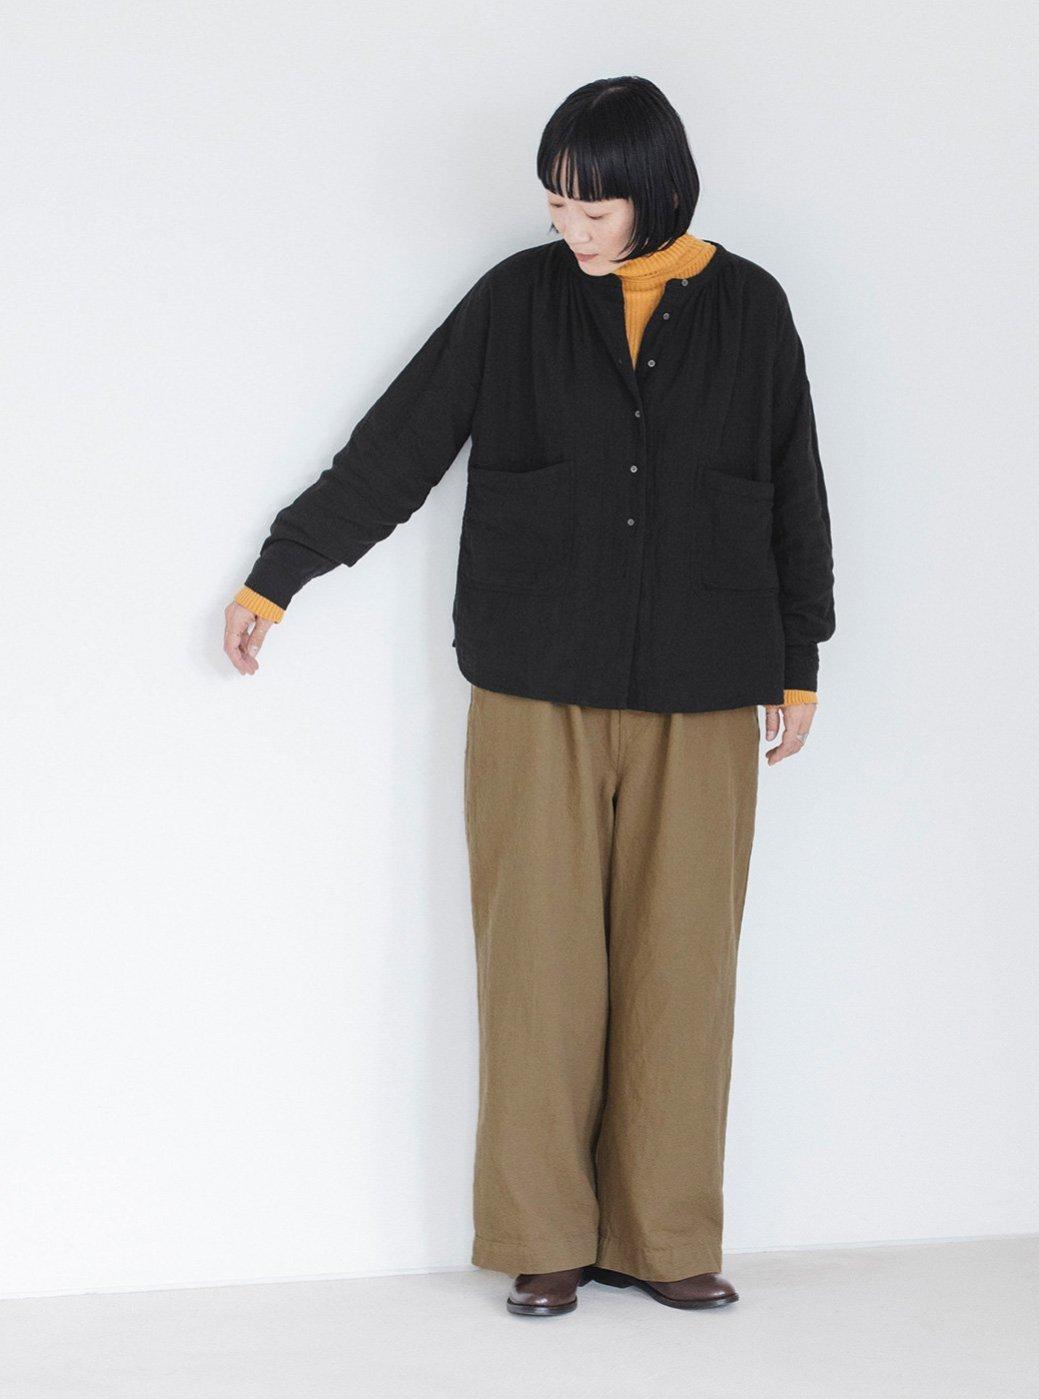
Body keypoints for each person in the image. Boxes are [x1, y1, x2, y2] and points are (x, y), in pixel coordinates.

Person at [223, 75, 835, 1317]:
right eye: (556, 203)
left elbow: (793, 484)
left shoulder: (754, 309)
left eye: (592, 207)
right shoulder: (515, 300)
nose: (570, 227)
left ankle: (664, 1235)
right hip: (532, 682)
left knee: (684, 971)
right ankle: (543, 1234)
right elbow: (402, 442)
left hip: (708, 683)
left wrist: (799, 656)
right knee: (536, 971)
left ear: (657, 189)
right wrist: (283, 570)